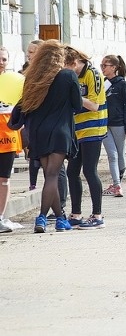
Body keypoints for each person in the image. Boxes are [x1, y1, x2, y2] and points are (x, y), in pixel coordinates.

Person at [10, 40, 83, 233]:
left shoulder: (32, 78)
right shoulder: (68, 75)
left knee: (48, 174)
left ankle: (60, 218)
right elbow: (76, 105)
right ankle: (41, 217)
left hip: (38, 132)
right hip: (60, 132)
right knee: (52, 175)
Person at [64, 46, 107, 229]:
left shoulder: (93, 74)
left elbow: (95, 105)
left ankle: (97, 215)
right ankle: (76, 214)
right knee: (72, 171)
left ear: (74, 62)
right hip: (77, 129)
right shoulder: (72, 76)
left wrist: (74, 96)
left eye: (65, 65)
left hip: (93, 127)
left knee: (90, 170)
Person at [101, 54, 126, 197]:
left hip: (118, 124)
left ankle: (117, 183)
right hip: (103, 124)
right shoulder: (102, 83)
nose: (102, 68)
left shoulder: (122, 85)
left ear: (114, 68)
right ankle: (117, 184)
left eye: (105, 66)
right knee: (112, 154)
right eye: (101, 65)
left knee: (120, 153)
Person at [0, 48, 23, 233]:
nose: (1, 62)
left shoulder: (14, 81)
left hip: (8, 136)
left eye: (4, 59)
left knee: (4, 179)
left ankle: (0, 217)